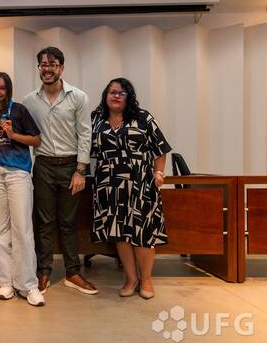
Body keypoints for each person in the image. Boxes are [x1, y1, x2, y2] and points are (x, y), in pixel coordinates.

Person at [22, 47, 98, 295]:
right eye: (42, 64)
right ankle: (43, 271)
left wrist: (80, 170)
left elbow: (85, 134)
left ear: (61, 68)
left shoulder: (78, 97)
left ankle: (73, 273)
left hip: (70, 166)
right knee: (44, 222)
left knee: (68, 222)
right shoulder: (29, 101)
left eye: (52, 64)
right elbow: (27, 136)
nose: (47, 69)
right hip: (43, 166)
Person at [90, 77, 171, 300]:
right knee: (120, 233)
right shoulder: (96, 119)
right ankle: (130, 278)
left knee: (142, 232)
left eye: (122, 92)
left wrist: (159, 173)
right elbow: (85, 148)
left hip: (140, 182)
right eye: (112, 92)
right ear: (106, 96)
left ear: (129, 97)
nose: (116, 96)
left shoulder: (143, 117)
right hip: (109, 184)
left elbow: (161, 148)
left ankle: (146, 279)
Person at [0, 72, 45, 306]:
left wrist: (13, 134)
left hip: (18, 173)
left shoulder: (18, 110)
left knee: (22, 229)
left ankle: (28, 285)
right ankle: (6, 282)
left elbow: (36, 140)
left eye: (1, 88)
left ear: (8, 91)